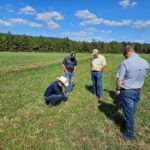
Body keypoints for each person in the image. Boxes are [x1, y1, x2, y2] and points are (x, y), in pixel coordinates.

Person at [116, 45, 149, 141]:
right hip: (138, 90)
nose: (125, 57)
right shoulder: (145, 62)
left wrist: (118, 89)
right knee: (132, 111)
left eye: (125, 54)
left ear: (127, 52)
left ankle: (128, 135)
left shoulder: (125, 63)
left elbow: (119, 79)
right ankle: (127, 124)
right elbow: (143, 76)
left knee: (129, 114)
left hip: (127, 91)